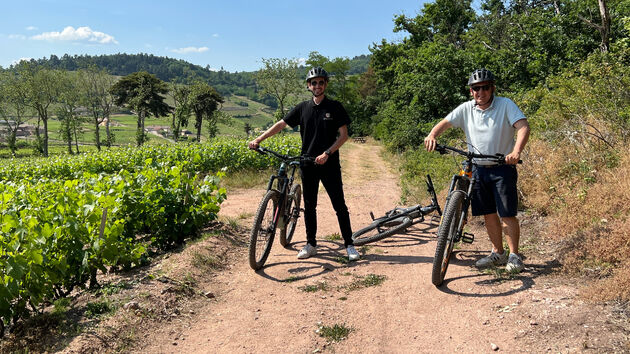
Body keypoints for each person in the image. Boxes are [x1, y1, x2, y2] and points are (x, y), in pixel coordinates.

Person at [424, 68, 530, 273]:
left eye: (484, 88)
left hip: (502, 167)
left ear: (492, 88)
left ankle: (515, 256)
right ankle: (498, 253)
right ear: (471, 91)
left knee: (507, 214)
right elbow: (445, 123)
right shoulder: (466, 108)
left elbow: (523, 126)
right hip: (478, 170)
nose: (480, 92)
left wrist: (516, 152)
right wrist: (432, 135)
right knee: (488, 214)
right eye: (475, 89)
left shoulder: (505, 105)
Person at [248, 67, 359, 262]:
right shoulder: (302, 108)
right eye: (313, 83)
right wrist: (259, 139)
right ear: (309, 86)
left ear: (325, 84)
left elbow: (343, 136)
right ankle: (311, 244)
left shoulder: (335, 107)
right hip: (307, 163)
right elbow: (281, 124)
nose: (317, 85)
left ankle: (349, 245)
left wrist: (327, 153)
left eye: (321, 82)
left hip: (329, 163)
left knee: (339, 205)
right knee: (309, 206)